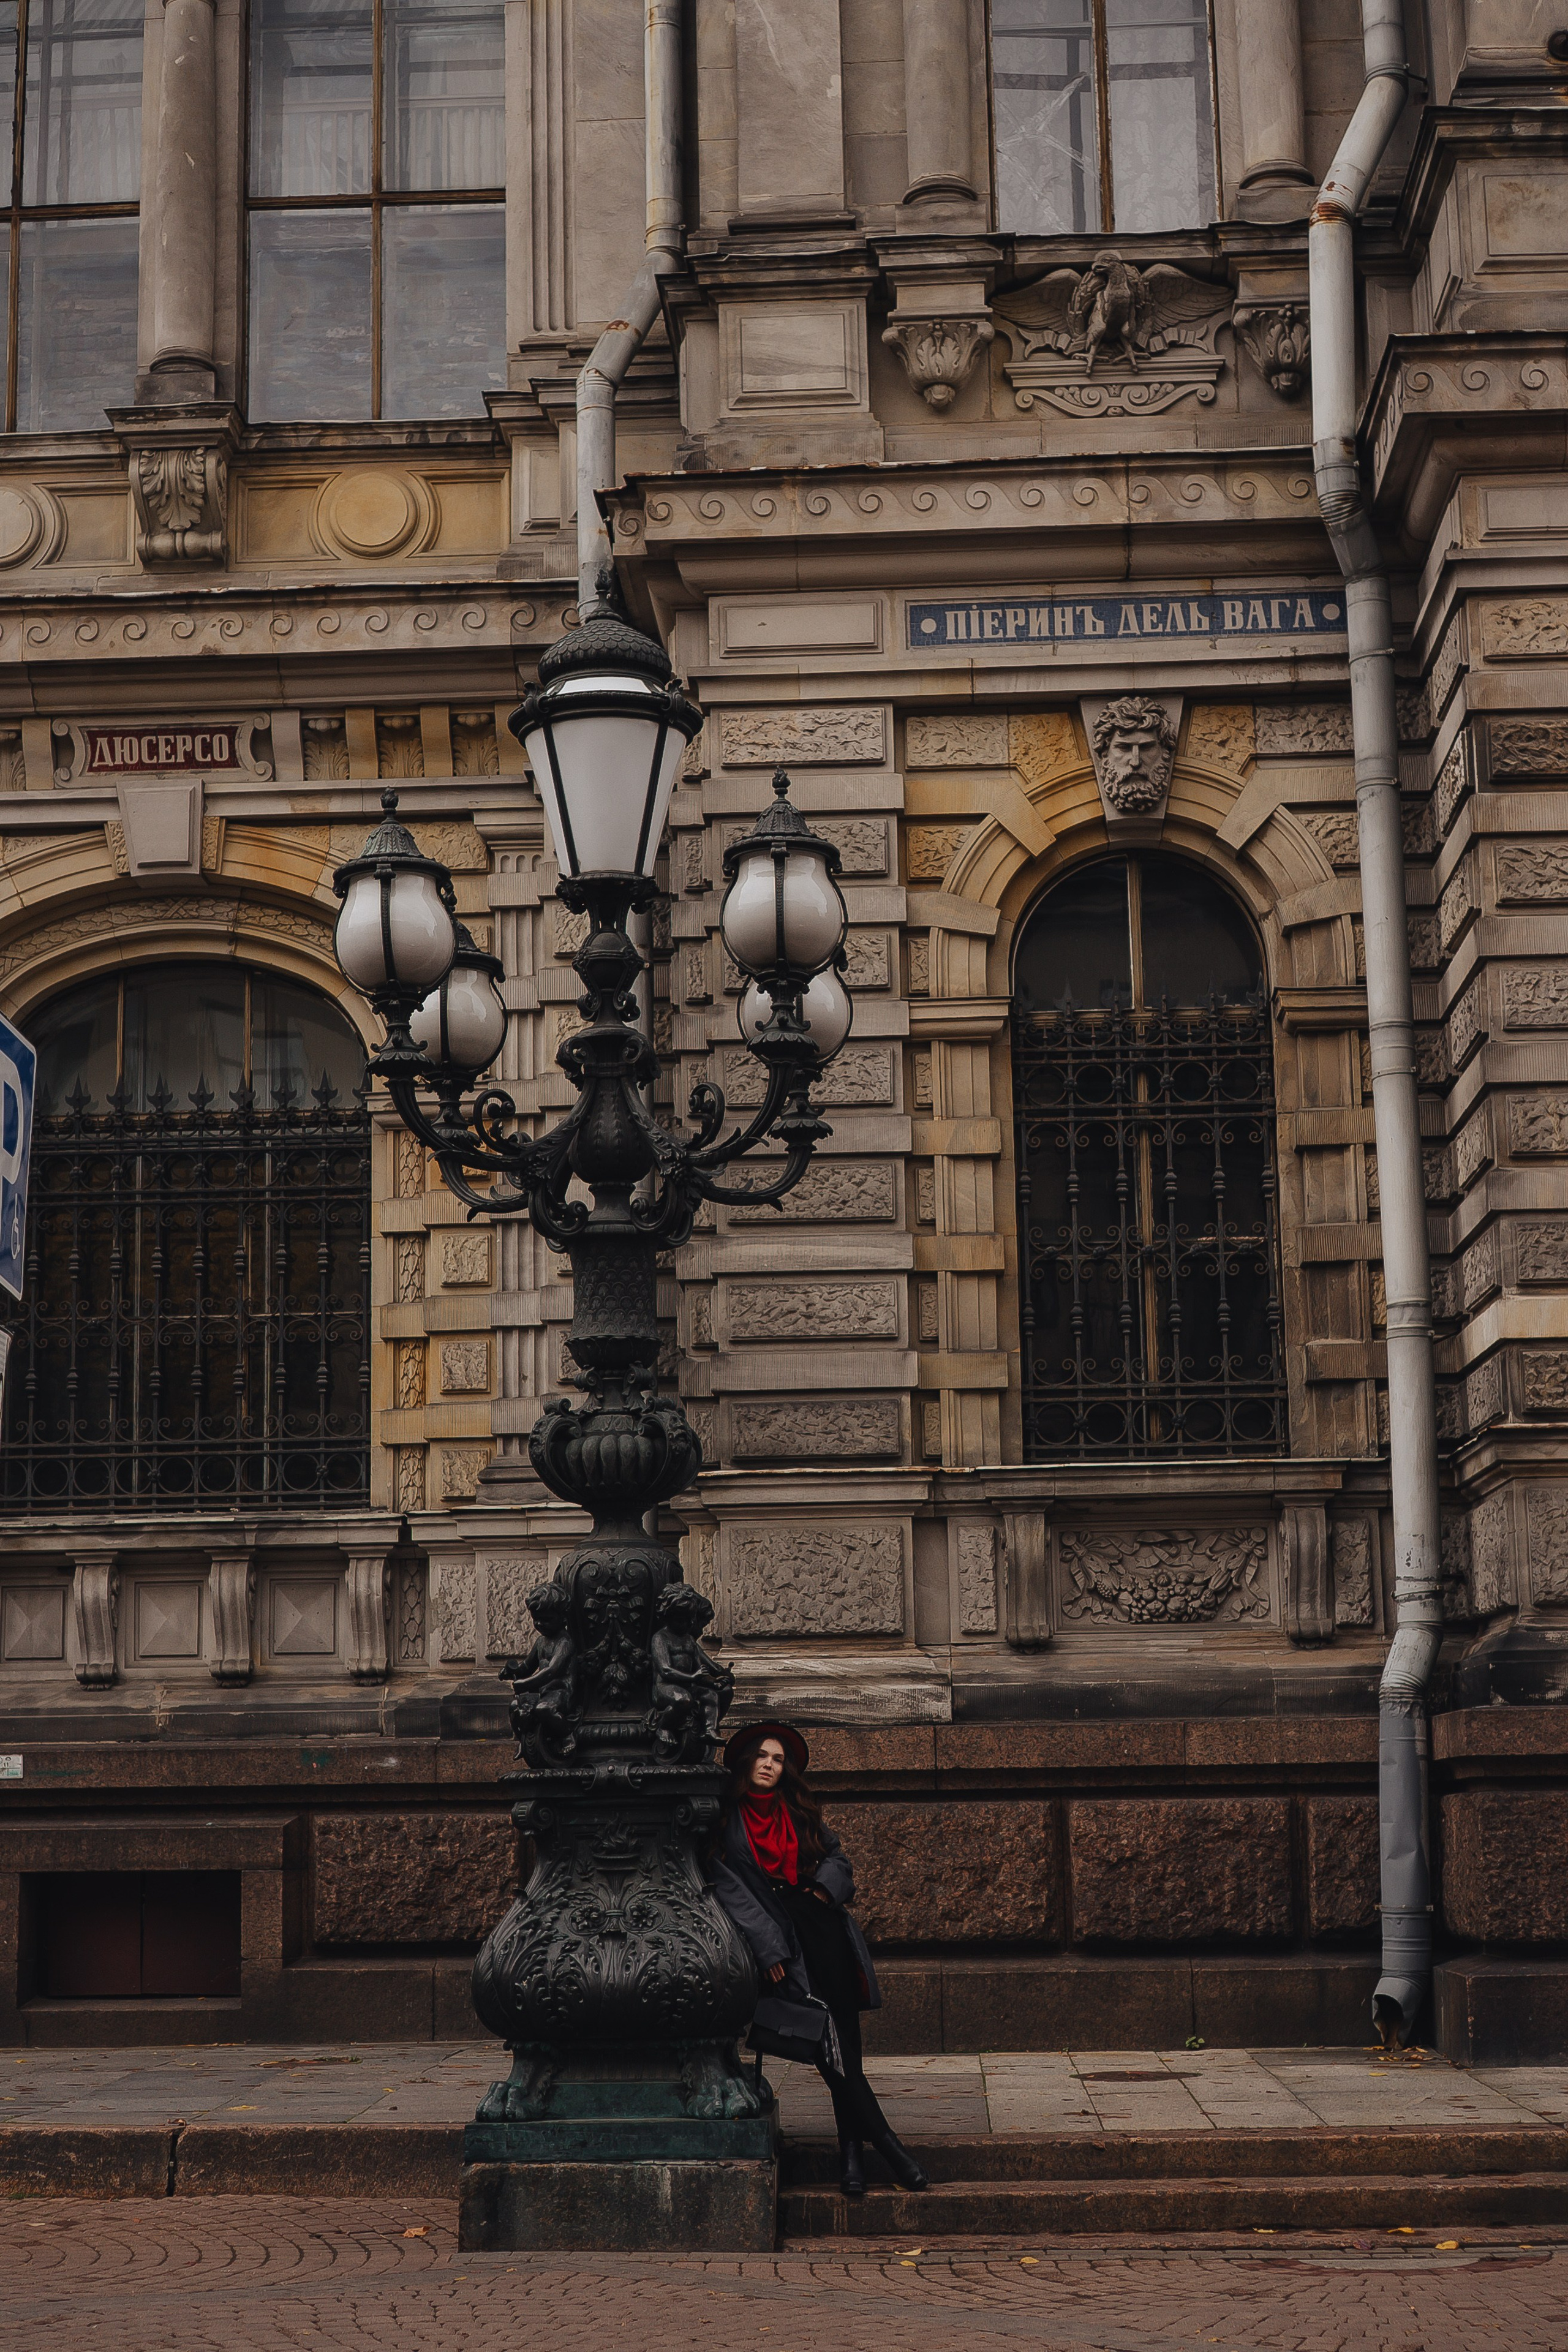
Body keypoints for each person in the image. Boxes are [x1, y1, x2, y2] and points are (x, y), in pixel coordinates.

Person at [707, 1719, 929, 2199]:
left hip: (823, 1929)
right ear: (747, 1763)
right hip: (784, 1943)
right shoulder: (726, 1820)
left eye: (778, 1759)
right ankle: (891, 2150)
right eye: (763, 1757)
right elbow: (731, 1892)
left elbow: (837, 1857)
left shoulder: (797, 1809)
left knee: (845, 2044)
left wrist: (825, 1891)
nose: (770, 1765)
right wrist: (769, 1948)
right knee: (828, 2045)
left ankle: (853, 2159)